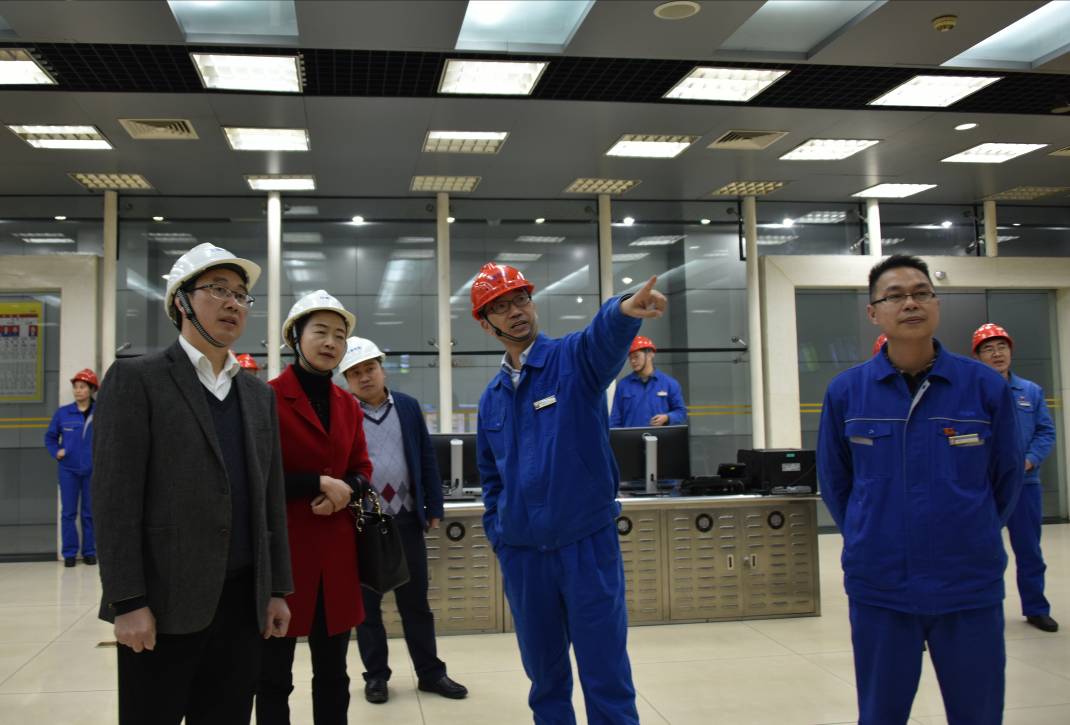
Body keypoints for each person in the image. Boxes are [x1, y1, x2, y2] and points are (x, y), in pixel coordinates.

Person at [817, 254, 1023, 725]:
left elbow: (1007, 475)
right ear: (874, 312)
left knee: (978, 713)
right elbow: (835, 481)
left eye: (921, 293)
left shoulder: (983, 387)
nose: (910, 303)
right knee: (881, 713)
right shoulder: (847, 391)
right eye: (895, 296)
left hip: (967, 584)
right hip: (881, 585)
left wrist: (973, 532)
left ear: (936, 303)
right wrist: (869, 535)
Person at [92, 242, 293, 725]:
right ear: (181, 301)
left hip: (242, 604)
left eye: (241, 295)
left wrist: (277, 589)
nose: (233, 303)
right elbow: (115, 501)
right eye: (217, 290)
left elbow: (270, 500)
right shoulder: (137, 379)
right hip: (162, 604)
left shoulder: (256, 394)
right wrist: (128, 601)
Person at [473, 262, 666, 724]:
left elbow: (602, 338)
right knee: (545, 680)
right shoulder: (492, 398)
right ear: (485, 324)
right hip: (524, 557)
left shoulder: (572, 361)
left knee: (606, 674)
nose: (516, 311)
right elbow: (491, 478)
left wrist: (624, 310)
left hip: (586, 546)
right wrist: (501, 534)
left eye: (521, 299)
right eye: (501, 307)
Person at [256, 290, 372, 725]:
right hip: (284, 557)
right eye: (320, 332)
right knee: (273, 676)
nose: (331, 342)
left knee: (333, 673)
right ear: (295, 337)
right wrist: (315, 484)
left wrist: (347, 489)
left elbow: (362, 467)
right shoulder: (266, 398)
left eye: (339, 336)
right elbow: (256, 477)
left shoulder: (347, 404)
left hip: (336, 557)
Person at [339, 336, 468, 704]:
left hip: (408, 520)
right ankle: (376, 677)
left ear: (382, 369)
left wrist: (435, 507)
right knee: (367, 610)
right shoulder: (343, 412)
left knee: (416, 604)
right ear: (346, 380)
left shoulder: (408, 407)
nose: (364, 377)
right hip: (364, 524)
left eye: (370, 368)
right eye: (355, 373)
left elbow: (426, 457)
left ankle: (431, 673)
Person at [972, 322, 1058, 633]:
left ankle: (1036, 608)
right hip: (985, 487)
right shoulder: (970, 393)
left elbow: (1045, 432)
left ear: (1010, 351)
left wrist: (1030, 460)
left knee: (1029, 550)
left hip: (1024, 485)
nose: (997, 354)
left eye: (1002, 347)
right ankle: (982, 610)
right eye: (988, 349)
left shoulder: (1031, 391)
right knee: (983, 550)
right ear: (977, 357)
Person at [45, 368, 98, 567]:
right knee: (68, 513)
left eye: (82, 387)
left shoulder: (100, 412)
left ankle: (90, 552)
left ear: (91, 389)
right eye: (75, 387)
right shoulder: (63, 413)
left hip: (92, 470)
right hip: (68, 470)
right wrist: (56, 451)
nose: (78, 391)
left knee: (89, 513)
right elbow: (50, 437)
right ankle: (69, 553)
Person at [609, 336, 687, 428]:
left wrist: (667, 417)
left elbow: (681, 413)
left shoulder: (669, 384)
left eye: (636, 356)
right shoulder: (623, 385)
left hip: (660, 436)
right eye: (630, 357)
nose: (633, 361)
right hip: (631, 436)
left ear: (650, 354)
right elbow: (615, 419)